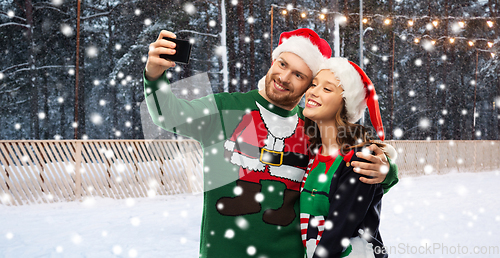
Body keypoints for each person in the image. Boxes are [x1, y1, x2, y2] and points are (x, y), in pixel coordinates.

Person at [143, 28, 398, 257]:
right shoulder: (226, 109)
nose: (284, 77)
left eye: (298, 75)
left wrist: (386, 169)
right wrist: (154, 75)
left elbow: (353, 162)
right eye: (282, 64)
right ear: (273, 61)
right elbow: (167, 114)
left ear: (308, 86)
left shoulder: (312, 127)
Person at [300, 57, 396, 258]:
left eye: (327, 89)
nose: (313, 92)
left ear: (345, 104)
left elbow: (337, 236)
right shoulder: (312, 151)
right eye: (314, 84)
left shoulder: (360, 159)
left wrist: (388, 168)